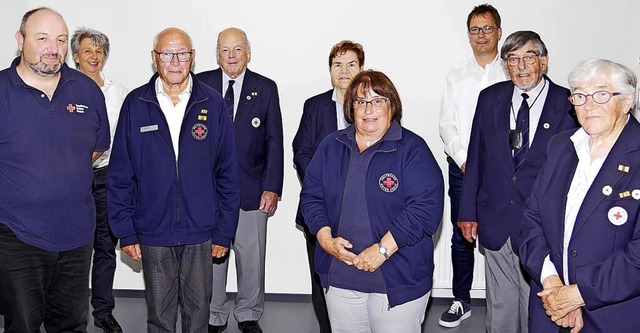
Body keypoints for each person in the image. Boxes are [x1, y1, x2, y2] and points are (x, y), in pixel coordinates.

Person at [107, 27, 240, 332]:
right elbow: (119, 175)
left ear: (192, 58)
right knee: (160, 315)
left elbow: (228, 175)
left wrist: (224, 232)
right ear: (155, 59)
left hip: (201, 232)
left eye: (182, 54)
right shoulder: (136, 104)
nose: (175, 61)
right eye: (167, 54)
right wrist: (126, 231)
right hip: (153, 231)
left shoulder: (213, 103)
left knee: (198, 314)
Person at [300, 70, 444, 332]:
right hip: (340, 278)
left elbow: (425, 210)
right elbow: (311, 197)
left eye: (378, 101)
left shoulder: (413, 150)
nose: (369, 109)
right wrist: (324, 239)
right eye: (361, 101)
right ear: (350, 107)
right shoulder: (330, 146)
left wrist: (382, 251)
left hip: (397, 280)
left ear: (392, 106)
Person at [457, 30, 579, 333]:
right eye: (512, 59)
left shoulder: (568, 104)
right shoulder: (490, 98)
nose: (521, 66)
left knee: (535, 305)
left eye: (529, 57)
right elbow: (476, 155)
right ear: (505, 64)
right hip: (495, 215)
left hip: (541, 224)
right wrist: (467, 211)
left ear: (545, 60)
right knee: (500, 305)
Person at [0, 7, 110, 332]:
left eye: (61, 40)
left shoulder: (88, 91)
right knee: (23, 325)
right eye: (43, 38)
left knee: (72, 325)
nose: (54, 48)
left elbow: (94, 150)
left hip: (77, 239)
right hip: (16, 237)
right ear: (20, 40)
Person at [519, 59, 640, 333]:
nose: (589, 104)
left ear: (628, 100)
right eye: (580, 95)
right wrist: (552, 284)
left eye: (601, 93)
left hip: (612, 315)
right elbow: (531, 218)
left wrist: (578, 294)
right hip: (548, 307)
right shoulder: (561, 145)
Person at [196, 27, 284, 333]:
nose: (231, 56)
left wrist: (272, 187)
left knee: (251, 258)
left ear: (248, 52)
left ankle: (248, 314)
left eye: (237, 49)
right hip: (208, 192)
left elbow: (275, 141)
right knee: (211, 257)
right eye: (224, 50)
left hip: (251, 189)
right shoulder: (199, 84)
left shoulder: (266, 88)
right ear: (217, 54)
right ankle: (213, 314)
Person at [437, 3, 507, 327]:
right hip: (463, 168)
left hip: (505, 171)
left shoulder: (511, 72)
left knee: (507, 232)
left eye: (487, 28)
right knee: (460, 234)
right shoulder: (456, 75)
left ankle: (508, 299)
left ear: (499, 32)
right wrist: (466, 160)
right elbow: (446, 124)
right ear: (468, 35)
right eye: (475, 29)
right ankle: (461, 300)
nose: (481, 35)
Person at [292, 39, 365, 333]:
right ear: (330, 70)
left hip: (363, 210)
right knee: (322, 276)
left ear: (362, 68)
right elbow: (302, 151)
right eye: (338, 64)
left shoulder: (373, 104)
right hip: (320, 206)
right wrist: (328, 184)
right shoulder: (315, 106)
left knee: (359, 273)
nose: (344, 71)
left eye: (351, 64)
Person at [71, 26, 127, 333]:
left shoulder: (118, 93)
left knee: (106, 247)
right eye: (88, 51)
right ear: (76, 56)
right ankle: (70, 311)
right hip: (72, 181)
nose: (94, 56)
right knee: (73, 249)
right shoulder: (64, 89)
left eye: (99, 51)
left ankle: (103, 311)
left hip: (108, 179)